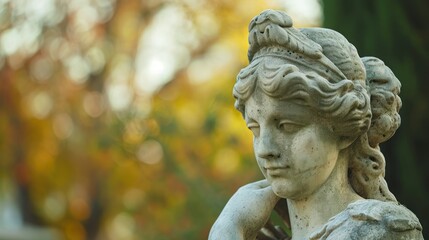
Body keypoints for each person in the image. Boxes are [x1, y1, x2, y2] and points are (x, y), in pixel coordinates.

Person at [209, 10, 423, 240]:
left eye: (287, 126)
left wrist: (227, 229)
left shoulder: (378, 230)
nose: (265, 149)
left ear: (344, 131)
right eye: (255, 129)